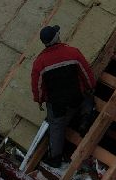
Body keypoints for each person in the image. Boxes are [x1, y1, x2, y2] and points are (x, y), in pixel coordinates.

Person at [31, 25, 95, 167]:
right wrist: (90, 87)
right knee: (88, 99)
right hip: (75, 98)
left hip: (57, 104)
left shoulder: (39, 62)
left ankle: (55, 158)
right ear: (57, 37)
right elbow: (86, 74)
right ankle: (85, 118)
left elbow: (37, 87)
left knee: (56, 127)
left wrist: (40, 100)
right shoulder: (72, 52)